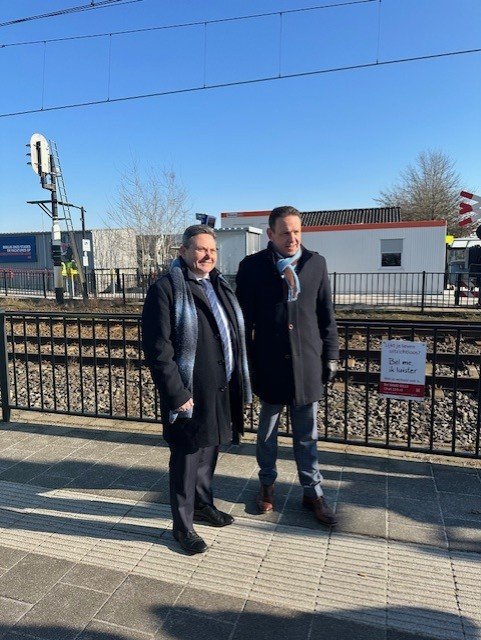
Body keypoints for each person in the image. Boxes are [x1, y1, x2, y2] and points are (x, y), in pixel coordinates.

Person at [142, 225, 252, 554]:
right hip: (190, 389)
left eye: (212, 251)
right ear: (184, 252)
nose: (207, 256)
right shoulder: (167, 289)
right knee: (187, 457)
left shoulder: (218, 284)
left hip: (219, 385)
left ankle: (203, 505)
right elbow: (158, 351)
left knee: (210, 450)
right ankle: (183, 525)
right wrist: (177, 394)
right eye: (201, 249)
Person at [236, 206, 339, 526]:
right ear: (270, 235)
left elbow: (326, 316)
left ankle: (313, 492)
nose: (292, 238)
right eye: (285, 232)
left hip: (308, 363)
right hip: (269, 365)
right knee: (266, 433)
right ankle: (267, 485)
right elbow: (243, 323)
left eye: (296, 231)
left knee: (307, 434)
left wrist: (332, 355)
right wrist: (247, 365)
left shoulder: (316, 263)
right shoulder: (252, 267)